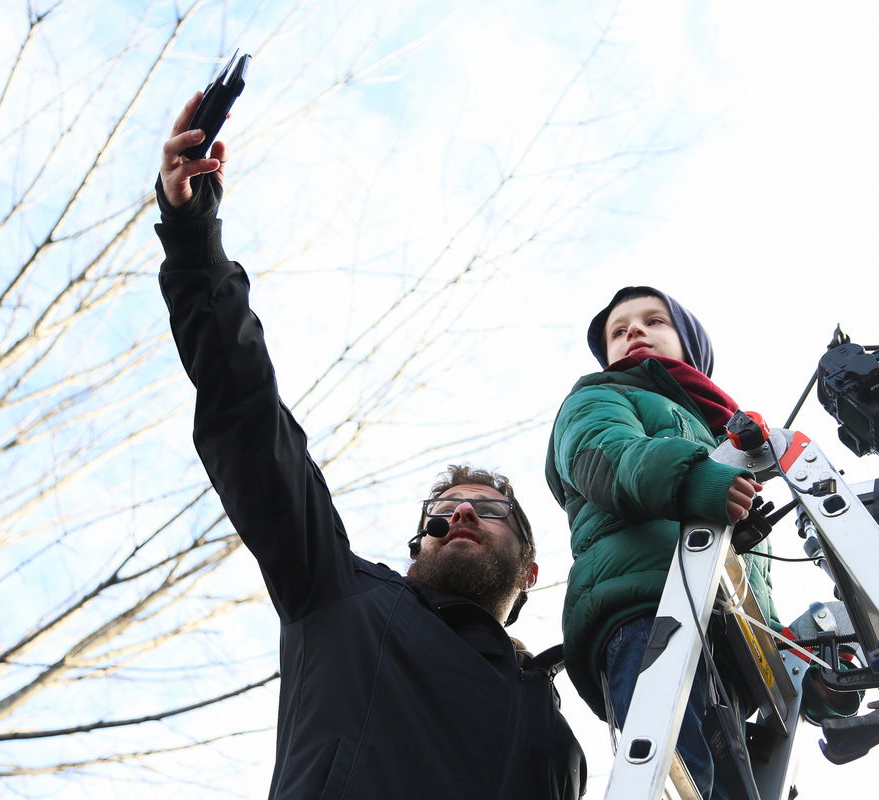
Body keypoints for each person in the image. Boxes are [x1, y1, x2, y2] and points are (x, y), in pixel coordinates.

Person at [155, 93, 585, 800]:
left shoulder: (554, 735)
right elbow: (247, 414)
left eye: (488, 508)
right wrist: (193, 236)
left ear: (531, 572)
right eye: (444, 509)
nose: (463, 514)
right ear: (416, 546)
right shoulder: (338, 592)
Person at [545, 286, 776, 799]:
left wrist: (791, 654)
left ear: (689, 343)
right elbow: (605, 453)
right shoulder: (599, 397)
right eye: (619, 331)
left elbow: (753, 569)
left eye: (654, 321)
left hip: (732, 640)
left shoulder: (728, 439)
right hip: (649, 613)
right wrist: (692, 477)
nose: (635, 333)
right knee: (675, 777)